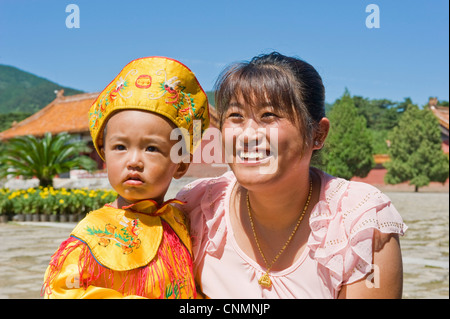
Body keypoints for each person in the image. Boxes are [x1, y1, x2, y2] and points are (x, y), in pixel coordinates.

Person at [176, 52, 407, 299]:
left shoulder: (359, 221)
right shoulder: (199, 207)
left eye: (268, 116)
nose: (247, 135)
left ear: (318, 134)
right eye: (236, 117)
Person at [42, 56, 210, 299]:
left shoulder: (182, 224)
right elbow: (60, 292)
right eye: (120, 147)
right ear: (104, 155)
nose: (133, 161)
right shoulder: (91, 233)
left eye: (151, 148)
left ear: (181, 164)